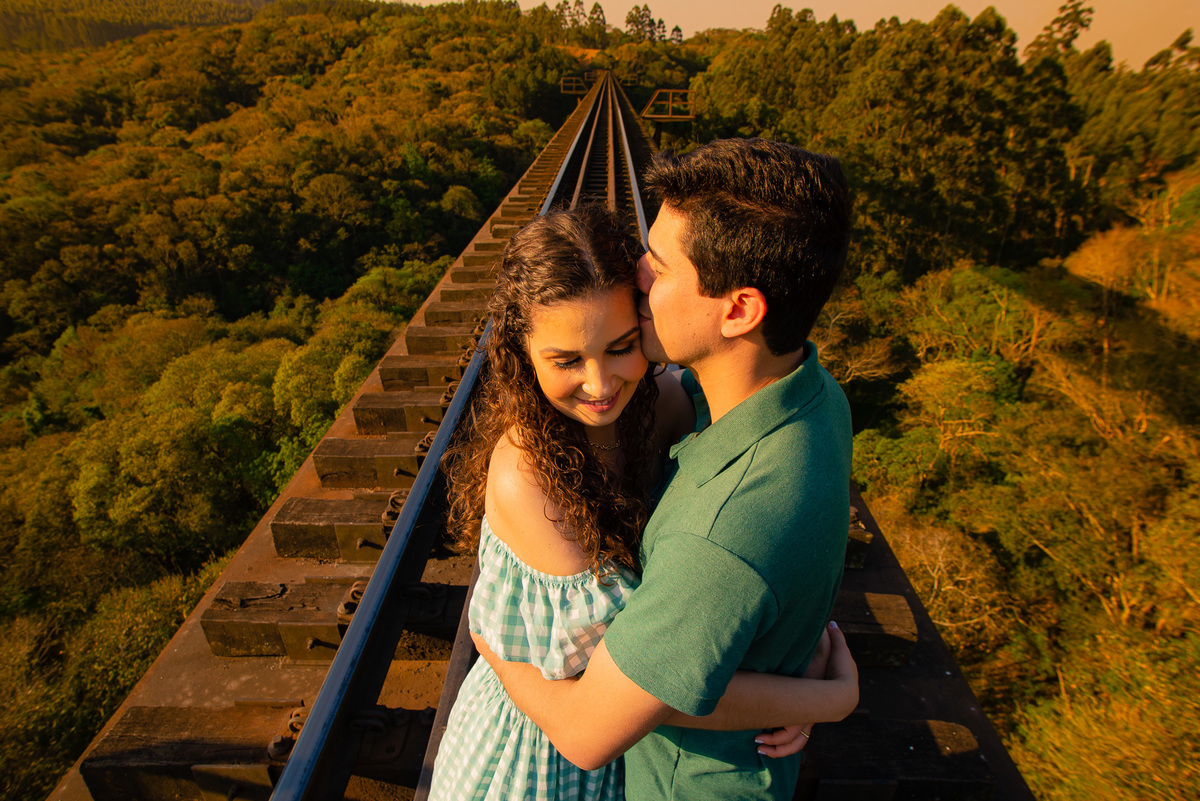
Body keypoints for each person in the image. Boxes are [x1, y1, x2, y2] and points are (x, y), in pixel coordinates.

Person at [429, 203, 856, 801]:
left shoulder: (663, 402)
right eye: (566, 360)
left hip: (625, 742)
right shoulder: (527, 474)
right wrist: (824, 698)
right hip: (538, 753)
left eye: (622, 345)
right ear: (522, 352)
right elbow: (636, 693)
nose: (601, 384)